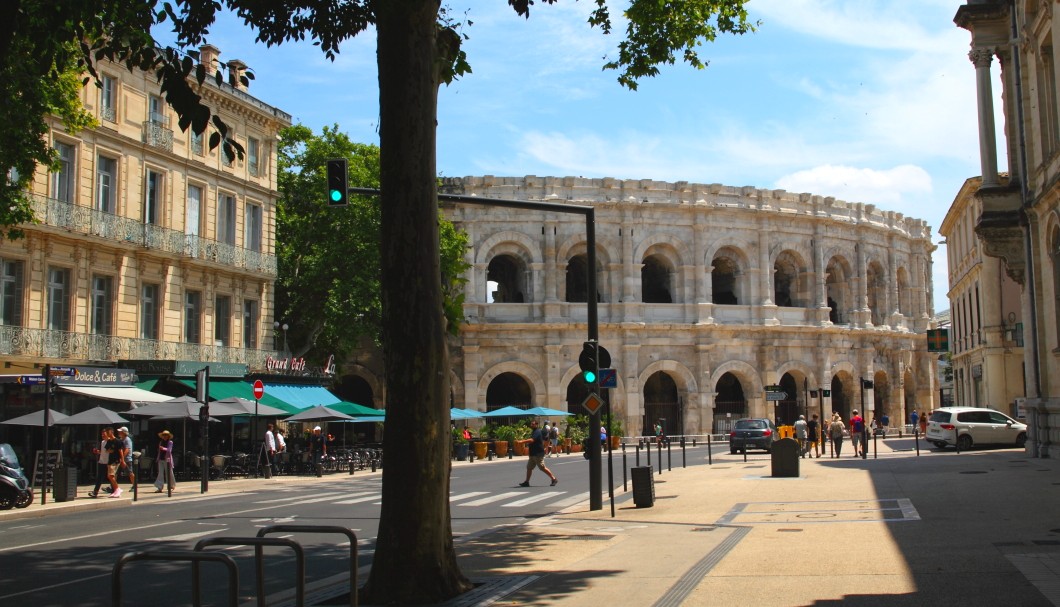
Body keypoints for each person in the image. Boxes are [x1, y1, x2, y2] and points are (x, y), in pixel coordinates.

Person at [519, 420, 557, 487]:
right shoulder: (534, 431)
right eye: (531, 424)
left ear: (536, 425)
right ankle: (527, 482)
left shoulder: (537, 431)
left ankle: (553, 479)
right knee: (529, 468)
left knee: (542, 467)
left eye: (533, 424)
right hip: (533, 453)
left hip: (538, 454)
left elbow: (532, 440)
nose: (532, 425)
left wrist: (522, 441)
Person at [87, 428, 113, 498]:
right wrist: (97, 452)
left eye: (104, 434)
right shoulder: (102, 442)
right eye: (102, 434)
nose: (102, 435)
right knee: (99, 478)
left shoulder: (111, 442)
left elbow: (112, 451)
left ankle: (114, 490)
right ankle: (95, 492)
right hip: (102, 462)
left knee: (111, 477)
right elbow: (102, 452)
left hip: (108, 462)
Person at [105, 427, 122, 497]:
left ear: (111, 432)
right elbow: (107, 450)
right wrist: (110, 450)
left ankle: (117, 489)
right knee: (110, 476)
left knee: (111, 475)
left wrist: (122, 460)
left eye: (108, 432)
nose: (107, 433)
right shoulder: (109, 441)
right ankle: (115, 490)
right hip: (110, 460)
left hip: (116, 460)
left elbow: (120, 451)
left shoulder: (117, 441)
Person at [117, 426, 134, 491]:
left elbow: (127, 449)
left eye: (120, 431)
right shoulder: (121, 439)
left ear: (123, 432)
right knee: (115, 473)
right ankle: (112, 487)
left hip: (127, 459)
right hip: (122, 459)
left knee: (130, 472)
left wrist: (122, 458)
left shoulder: (127, 439)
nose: (119, 432)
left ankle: (134, 485)